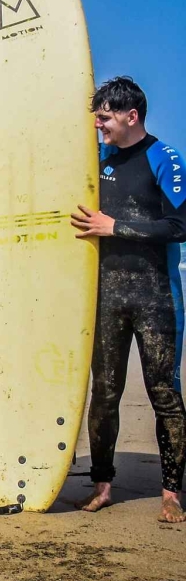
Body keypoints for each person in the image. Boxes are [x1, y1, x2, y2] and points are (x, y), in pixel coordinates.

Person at [69, 77, 186, 523]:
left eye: (104, 116)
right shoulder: (95, 158)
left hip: (157, 297)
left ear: (130, 115)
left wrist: (115, 227)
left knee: (164, 394)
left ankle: (171, 493)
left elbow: (180, 225)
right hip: (106, 298)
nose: (98, 124)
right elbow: (34, 159)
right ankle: (102, 485)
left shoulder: (164, 158)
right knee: (105, 394)